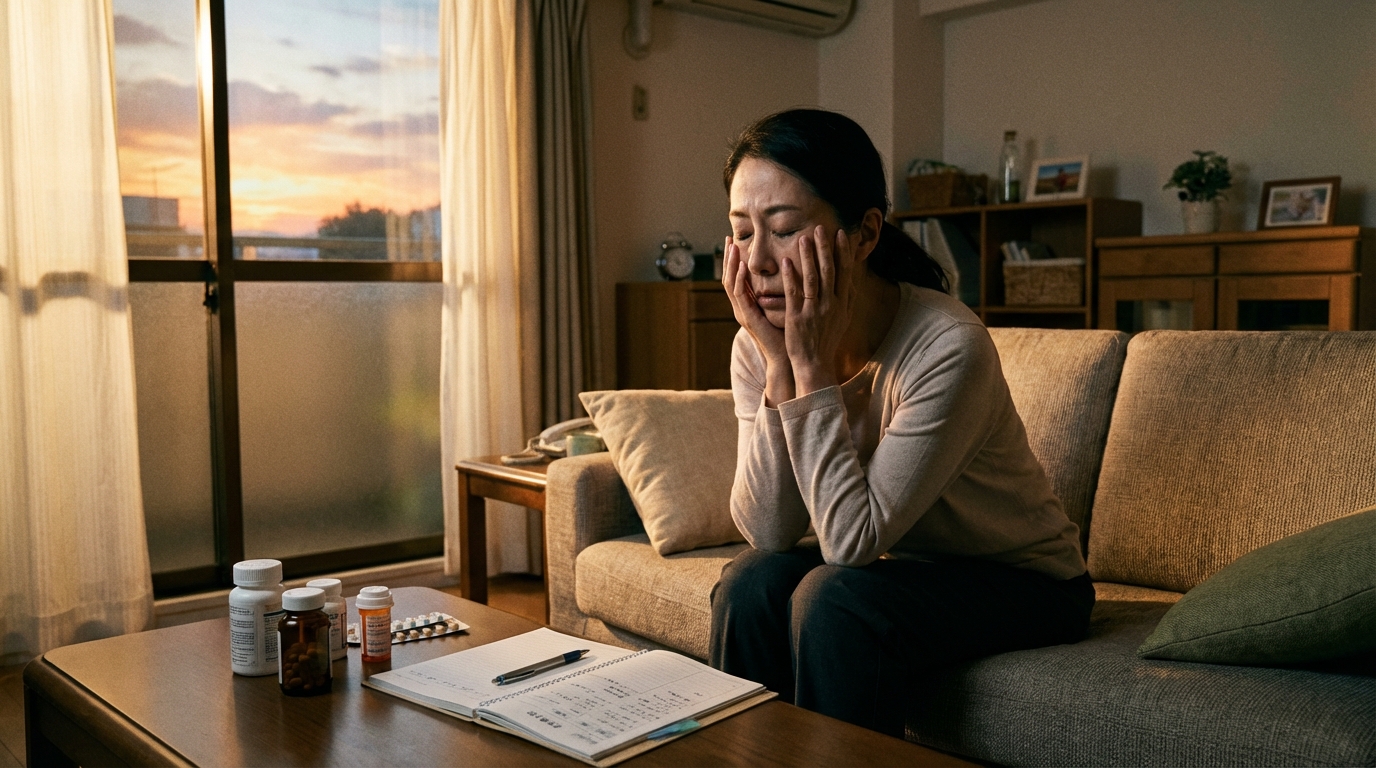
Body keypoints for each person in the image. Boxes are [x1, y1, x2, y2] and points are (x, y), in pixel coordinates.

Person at [710, 108, 1094, 739]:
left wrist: (810, 367)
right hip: (902, 565)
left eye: (784, 230)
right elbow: (767, 531)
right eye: (741, 233)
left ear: (864, 233)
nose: (758, 262)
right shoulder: (757, 346)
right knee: (750, 583)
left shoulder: (947, 346)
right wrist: (778, 365)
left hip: (1027, 583)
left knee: (834, 601)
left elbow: (850, 545)